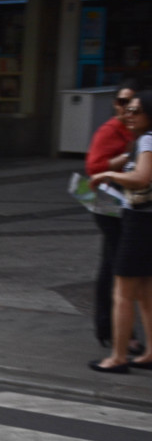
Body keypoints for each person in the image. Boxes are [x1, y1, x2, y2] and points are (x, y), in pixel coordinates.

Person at [89, 90, 152, 373]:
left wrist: (109, 174)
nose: (128, 113)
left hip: (139, 222)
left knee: (123, 292)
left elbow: (141, 178)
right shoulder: (136, 138)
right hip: (142, 219)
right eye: (125, 106)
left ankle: (118, 357)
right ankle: (149, 353)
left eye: (135, 109)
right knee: (145, 292)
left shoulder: (147, 139)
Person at [85, 81, 139, 352]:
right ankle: (111, 329)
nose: (124, 108)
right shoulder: (110, 131)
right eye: (120, 102)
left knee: (115, 263)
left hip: (126, 204)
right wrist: (123, 160)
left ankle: (112, 330)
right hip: (109, 202)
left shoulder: (136, 131)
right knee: (116, 265)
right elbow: (94, 167)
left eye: (129, 103)